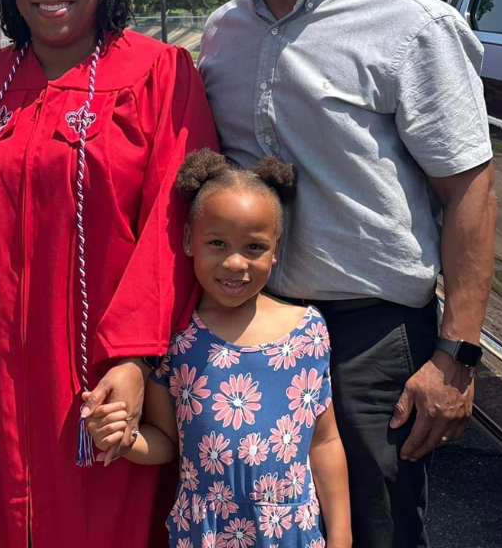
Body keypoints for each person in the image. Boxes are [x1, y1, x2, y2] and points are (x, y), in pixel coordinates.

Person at [197, 0, 497, 548]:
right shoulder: (220, 35)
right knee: (253, 522)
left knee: (374, 526)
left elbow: (471, 192)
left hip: (370, 339)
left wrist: (456, 355)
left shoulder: (412, 26)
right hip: (254, 327)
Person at [0, 0, 219, 548]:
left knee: (106, 516)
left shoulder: (158, 74)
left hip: (102, 363)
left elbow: (176, 221)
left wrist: (133, 360)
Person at [88, 149, 352, 548]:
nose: (234, 262)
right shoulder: (178, 340)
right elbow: (167, 441)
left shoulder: (308, 334)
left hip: (290, 533)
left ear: (276, 247)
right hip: (205, 533)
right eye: (217, 242)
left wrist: (342, 536)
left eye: (253, 247)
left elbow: (324, 441)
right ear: (188, 241)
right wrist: (124, 440)